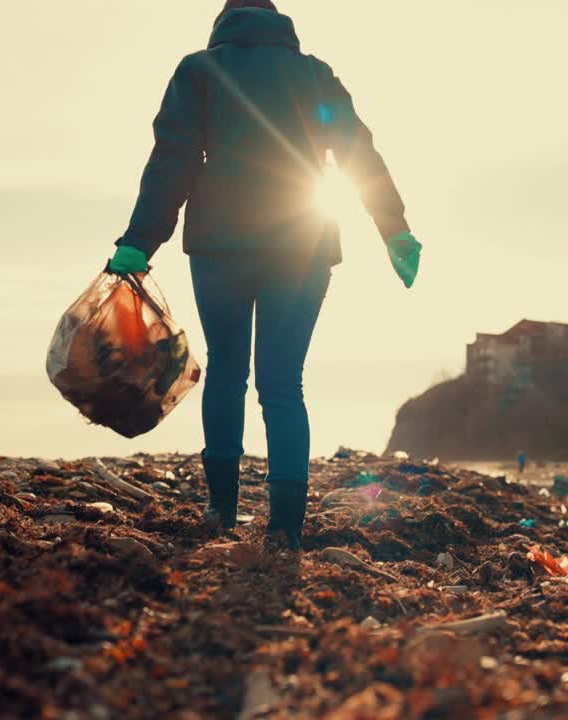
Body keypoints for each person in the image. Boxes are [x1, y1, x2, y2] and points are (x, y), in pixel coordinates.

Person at [108, 0, 420, 551]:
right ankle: (285, 527)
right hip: (302, 244)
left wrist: (138, 241)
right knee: (283, 383)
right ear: (280, 23)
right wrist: (392, 228)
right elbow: (357, 152)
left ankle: (221, 510)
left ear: (224, 22)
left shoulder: (200, 71)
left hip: (220, 246)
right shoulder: (313, 73)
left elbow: (171, 161)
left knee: (227, 372)